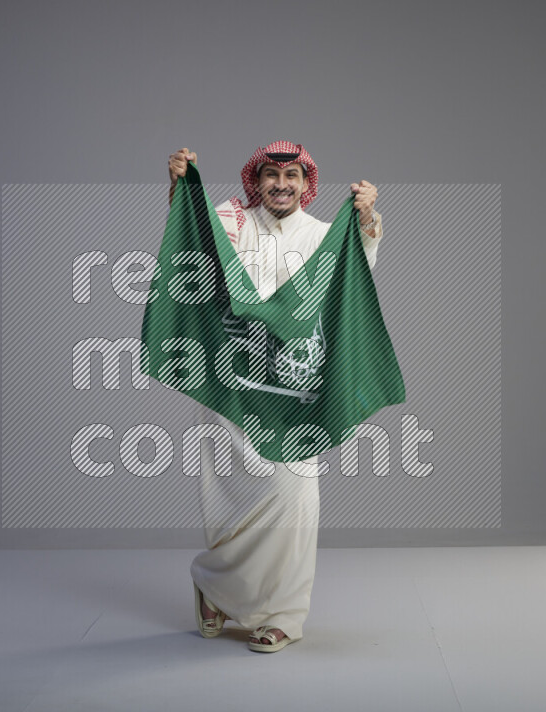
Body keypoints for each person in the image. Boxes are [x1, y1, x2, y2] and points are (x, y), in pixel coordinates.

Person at [167, 140, 383, 652]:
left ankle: (284, 613)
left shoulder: (323, 235)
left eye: (291, 176)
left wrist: (366, 219)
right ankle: (214, 586)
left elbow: (356, 273)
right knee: (230, 501)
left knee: (295, 495)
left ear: (305, 183)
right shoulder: (232, 222)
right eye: (271, 175)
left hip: (292, 388)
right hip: (230, 384)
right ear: (257, 180)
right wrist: (180, 188)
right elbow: (191, 241)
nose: (280, 185)